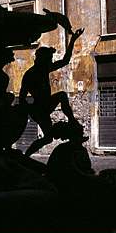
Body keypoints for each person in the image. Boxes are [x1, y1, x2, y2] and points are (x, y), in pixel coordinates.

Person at [19, 26, 84, 156]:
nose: (50, 62)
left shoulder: (43, 69)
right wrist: (30, 110)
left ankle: (71, 120)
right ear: (41, 59)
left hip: (45, 104)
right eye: (49, 59)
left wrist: (73, 40)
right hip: (39, 109)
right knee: (48, 138)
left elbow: (65, 61)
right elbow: (21, 98)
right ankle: (26, 156)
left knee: (62, 96)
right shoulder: (30, 75)